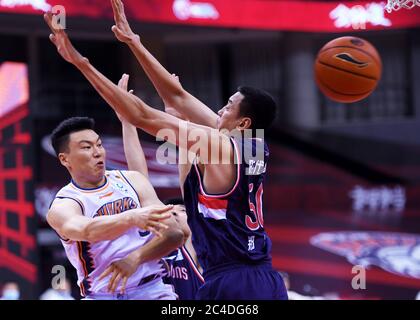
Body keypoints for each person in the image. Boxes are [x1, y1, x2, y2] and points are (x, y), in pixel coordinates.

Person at [43, 6, 287, 299]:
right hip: (262, 275)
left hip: (233, 280)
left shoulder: (219, 145)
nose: (220, 109)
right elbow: (177, 96)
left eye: (228, 106)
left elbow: (141, 115)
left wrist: (80, 62)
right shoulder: (254, 144)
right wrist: (133, 41)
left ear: (243, 122)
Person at [46, 115, 186, 300]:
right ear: (65, 160)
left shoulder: (133, 180)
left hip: (151, 289)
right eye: (87, 147)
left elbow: (174, 234)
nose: (98, 152)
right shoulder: (65, 204)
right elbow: (88, 230)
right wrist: (130, 218)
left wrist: (136, 257)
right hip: (102, 295)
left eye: (99, 145)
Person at [115, 100, 204, 299]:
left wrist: (182, 124)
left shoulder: (192, 247)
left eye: (180, 211)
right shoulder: (151, 243)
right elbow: (139, 178)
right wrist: (127, 123)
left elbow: (187, 179)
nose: (172, 212)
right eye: (168, 210)